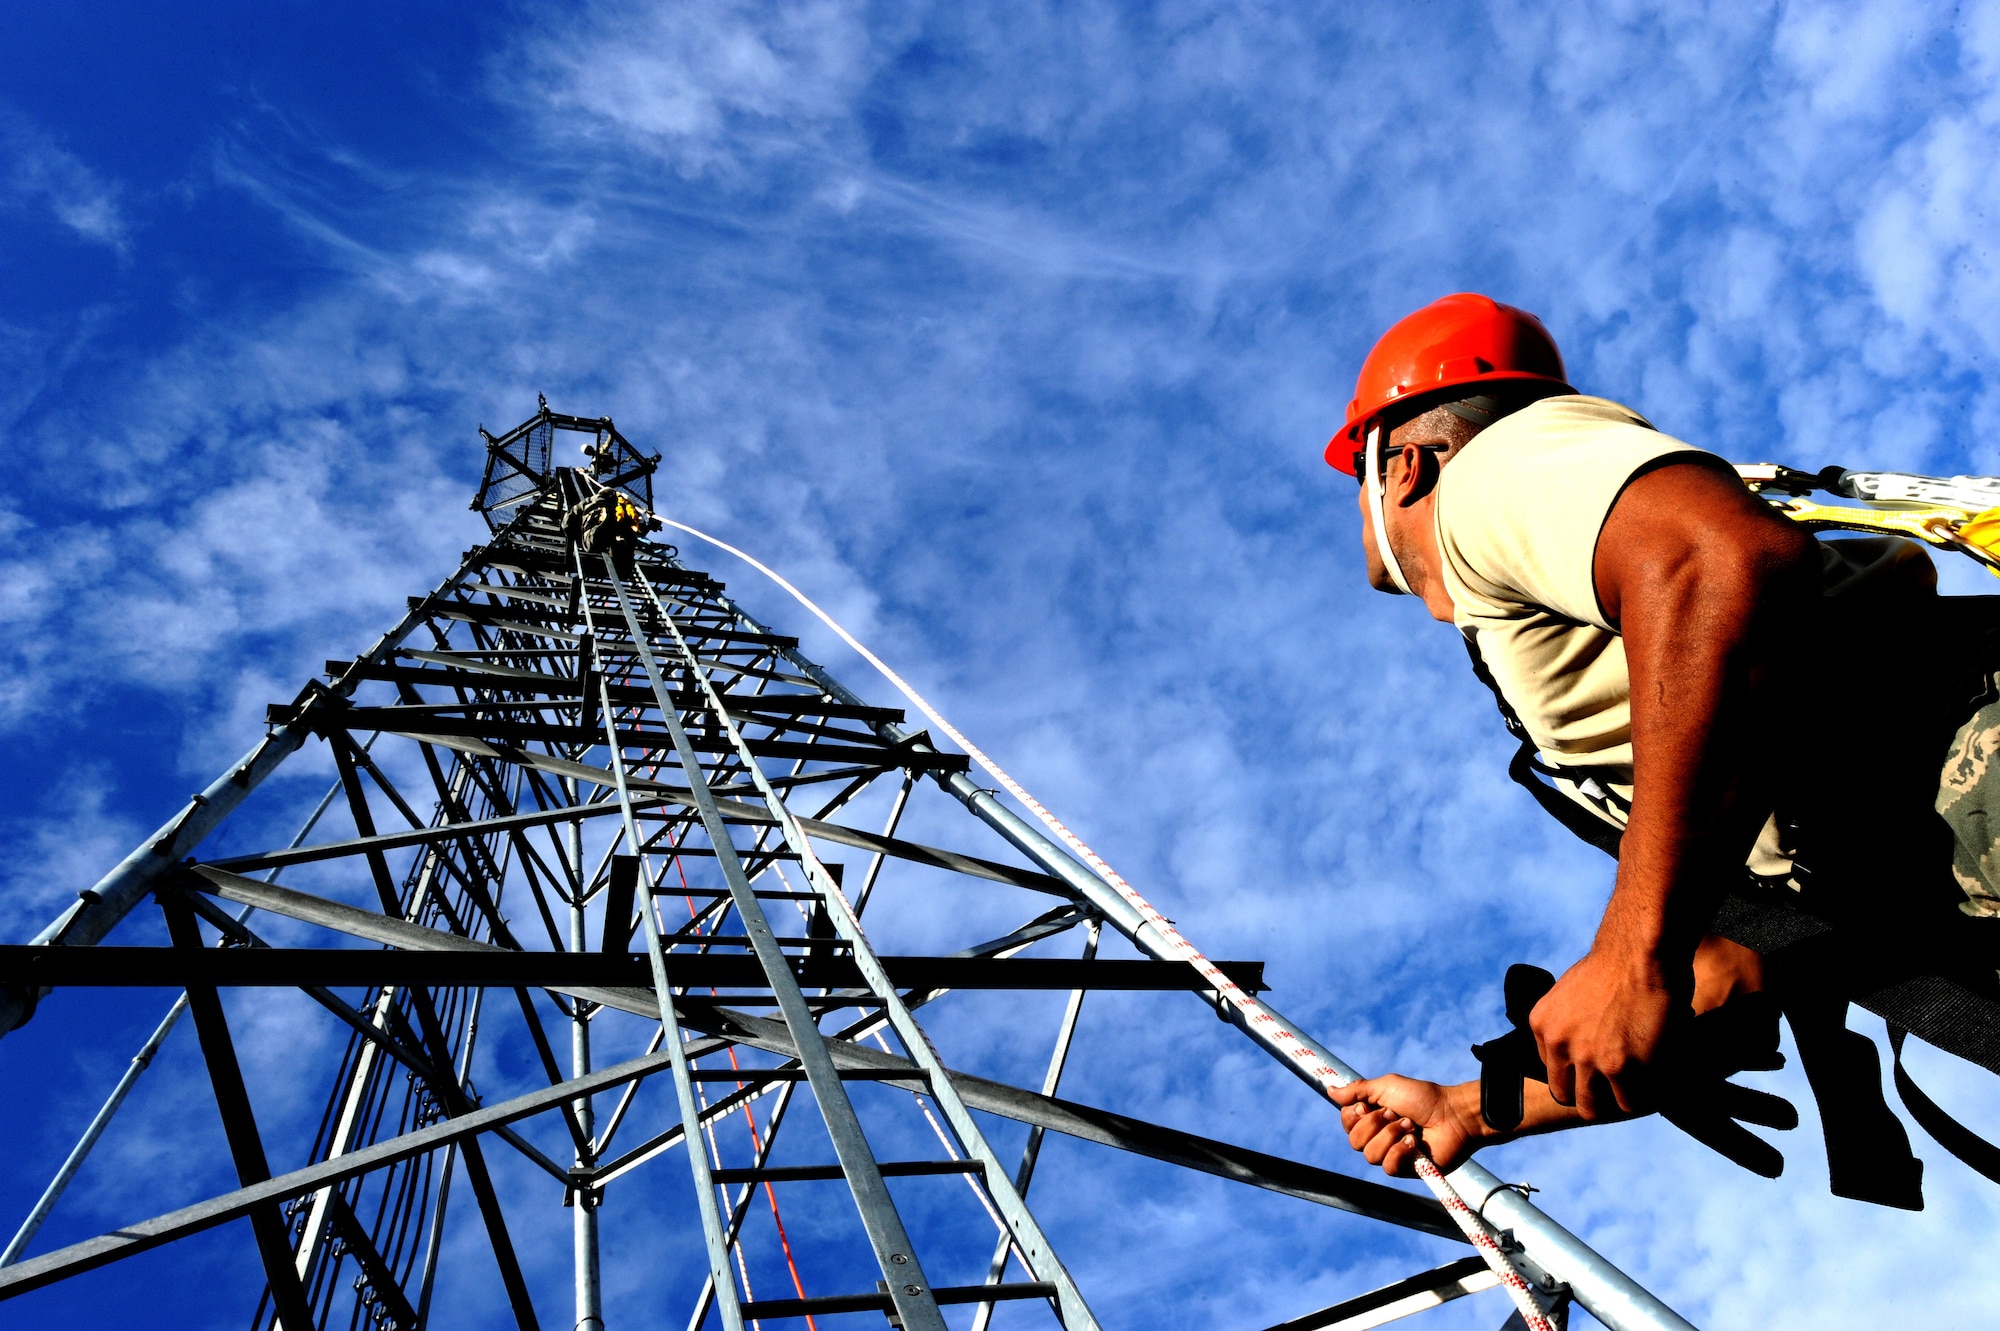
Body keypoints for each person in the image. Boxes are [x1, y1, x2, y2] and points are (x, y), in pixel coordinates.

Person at [1320, 294, 2000, 1201]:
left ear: (1405, 463)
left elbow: (1718, 558)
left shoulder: (1485, 478)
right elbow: (1731, 962)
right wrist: (1466, 1108)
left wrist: (1632, 948)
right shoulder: (1619, 673)